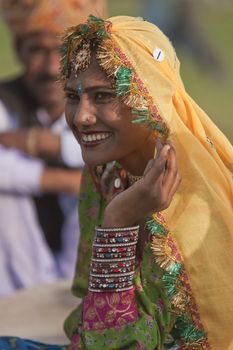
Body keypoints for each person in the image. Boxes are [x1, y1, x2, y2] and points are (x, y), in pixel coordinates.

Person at [1, 14, 233, 350]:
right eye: (72, 96)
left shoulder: (196, 204)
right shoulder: (108, 176)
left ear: (148, 97)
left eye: (102, 96)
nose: (81, 117)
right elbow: (91, 320)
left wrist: (118, 224)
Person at [0, 0, 106, 295]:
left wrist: (52, 145)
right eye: (37, 50)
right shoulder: (6, 100)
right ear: (18, 51)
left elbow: (136, 148)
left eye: (62, 51)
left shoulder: (106, 104)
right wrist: (69, 181)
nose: (50, 68)